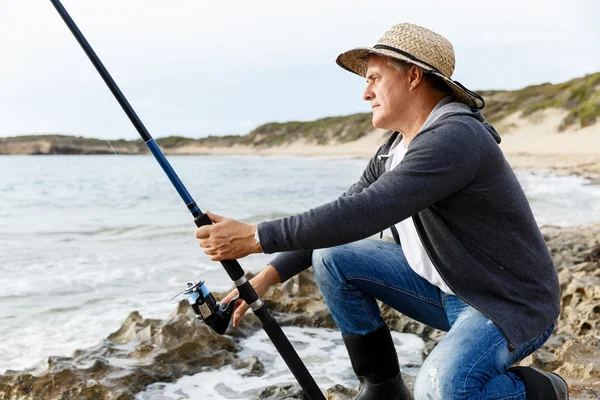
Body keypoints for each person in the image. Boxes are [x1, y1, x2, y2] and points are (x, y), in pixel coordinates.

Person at [195, 23, 568, 400]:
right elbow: (343, 216)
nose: (365, 92)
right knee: (333, 257)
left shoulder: (456, 137)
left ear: (413, 77)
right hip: (449, 290)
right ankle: (383, 389)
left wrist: (254, 237)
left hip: (507, 304)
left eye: (374, 78)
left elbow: (366, 211)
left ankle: (545, 390)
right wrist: (263, 279)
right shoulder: (395, 148)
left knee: (442, 391)